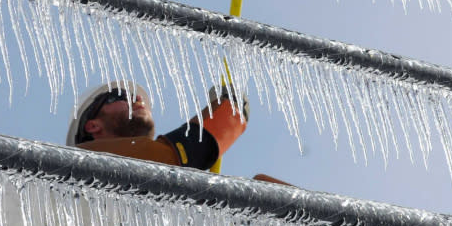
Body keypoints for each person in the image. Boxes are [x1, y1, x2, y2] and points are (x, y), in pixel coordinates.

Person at [66, 83, 288, 185]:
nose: (136, 99)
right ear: (92, 126)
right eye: (119, 97)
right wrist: (229, 108)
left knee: (268, 193)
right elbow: (183, 153)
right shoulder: (85, 159)